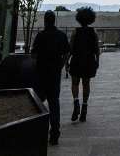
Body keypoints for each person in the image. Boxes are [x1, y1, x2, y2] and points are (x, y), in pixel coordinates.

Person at [29, 10, 70, 145]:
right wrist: (61, 66)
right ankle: (55, 133)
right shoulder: (61, 36)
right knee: (54, 103)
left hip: (41, 74)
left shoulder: (40, 36)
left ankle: (38, 131)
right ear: (54, 21)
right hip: (54, 74)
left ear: (45, 21)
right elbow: (66, 53)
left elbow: (33, 55)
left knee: (37, 103)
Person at [67, 7, 100, 122]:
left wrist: (66, 61)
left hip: (76, 60)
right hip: (89, 61)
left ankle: (76, 102)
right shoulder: (93, 32)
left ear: (79, 19)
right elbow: (97, 49)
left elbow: (70, 49)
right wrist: (97, 61)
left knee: (75, 83)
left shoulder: (75, 32)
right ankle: (84, 107)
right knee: (86, 84)